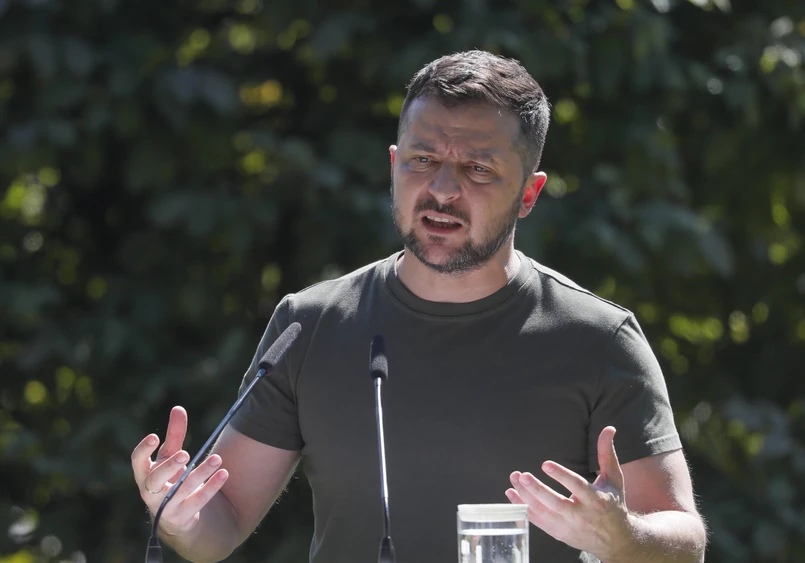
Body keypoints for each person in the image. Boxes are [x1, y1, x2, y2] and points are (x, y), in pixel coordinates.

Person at [130, 50, 707, 563]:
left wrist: (622, 537)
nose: (443, 190)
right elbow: (219, 526)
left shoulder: (599, 339)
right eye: (423, 159)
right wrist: (178, 516)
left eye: (478, 168)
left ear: (529, 193)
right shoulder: (310, 326)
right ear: (393, 165)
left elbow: (685, 541)